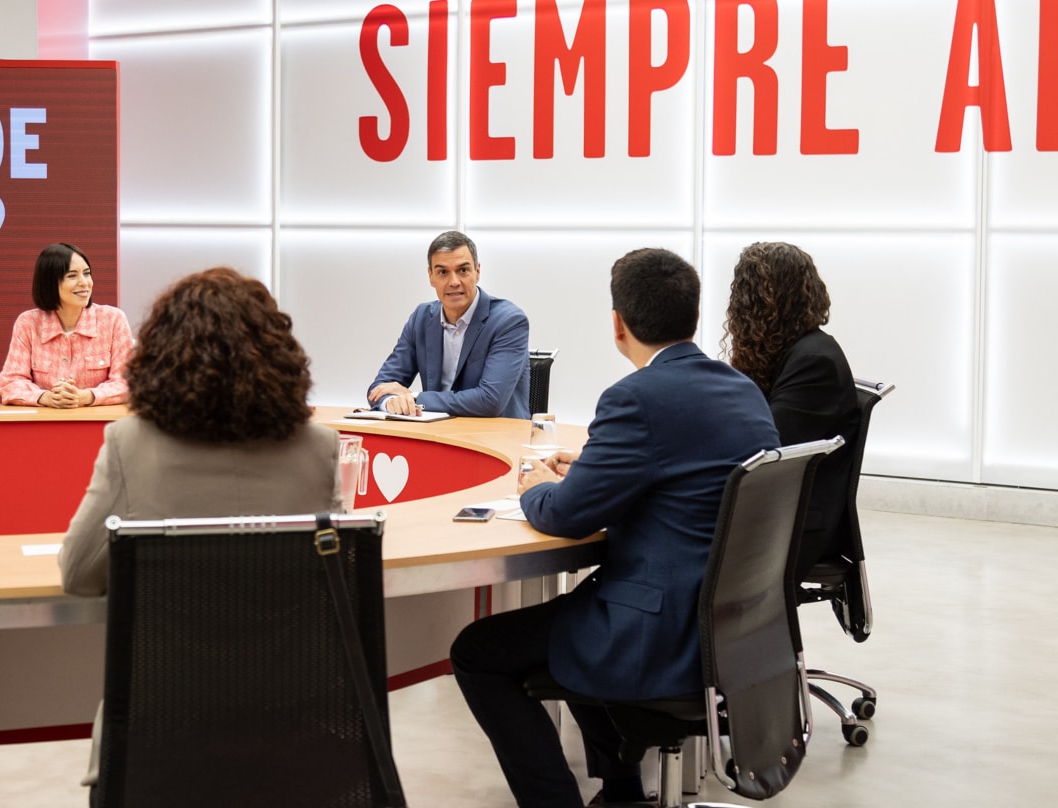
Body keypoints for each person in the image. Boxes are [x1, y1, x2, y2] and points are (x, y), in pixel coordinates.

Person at [449, 248, 777, 807]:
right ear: (692, 317)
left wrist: (535, 490)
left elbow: (563, 515)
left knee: (479, 652)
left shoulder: (635, 398)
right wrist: (598, 470)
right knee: (574, 616)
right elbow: (683, 478)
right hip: (734, 630)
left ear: (618, 323)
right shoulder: (741, 389)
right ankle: (621, 789)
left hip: (661, 634)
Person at [58, 266, 344, 797]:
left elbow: (77, 574)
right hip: (291, 728)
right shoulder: (320, 449)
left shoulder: (130, 444)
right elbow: (332, 583)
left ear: (163, 354)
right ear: (279, 352)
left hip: (157, 736)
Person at [724, 241, 861, 577]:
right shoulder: (792, 353)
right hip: (779, 512)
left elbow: (762, 451)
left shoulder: (814, 361)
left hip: (794, 528)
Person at [367, 230, 531, 418]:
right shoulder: (421, 318)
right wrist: (391, 401)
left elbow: (490, 401)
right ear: (431, 276)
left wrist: (413, 397)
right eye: (443, 272)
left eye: (463, 270)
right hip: (441, 436)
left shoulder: (508, 321)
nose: (454, 282)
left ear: (477, 272)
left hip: (496, 439)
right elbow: (379, 388)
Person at [0, 242, 132, 408]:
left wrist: (86, 396)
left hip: (97, 425)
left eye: (87, 273)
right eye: (72, 276)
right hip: (44, 425)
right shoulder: (28, 323)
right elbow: (10, 383)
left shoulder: (113, 319)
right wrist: (46, 397)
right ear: (50, 283)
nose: (84, 283)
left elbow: (127, 383)